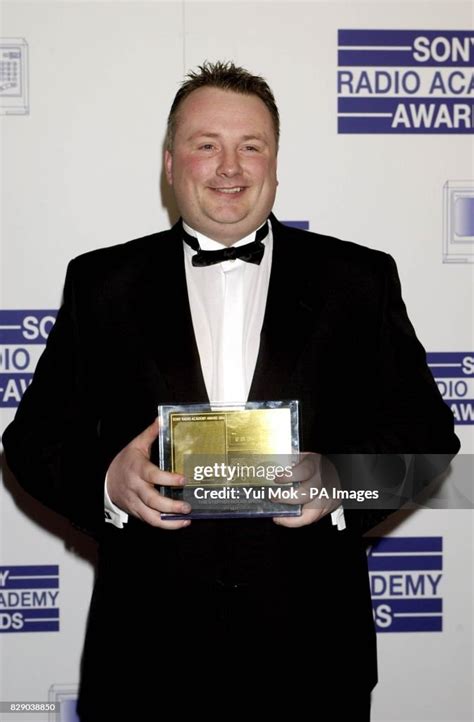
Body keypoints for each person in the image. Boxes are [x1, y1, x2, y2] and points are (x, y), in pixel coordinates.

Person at [2, 61, 459, 721]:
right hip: (145, 664)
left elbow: (430, 443)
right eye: (206, 145)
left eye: (252, 146)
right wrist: (108, 480)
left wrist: (341, 481)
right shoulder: (102, 284)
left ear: (276, 164)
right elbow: (33, 442)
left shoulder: (358, 281)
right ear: (169, 164)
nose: (230, 167)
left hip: (313, 664)